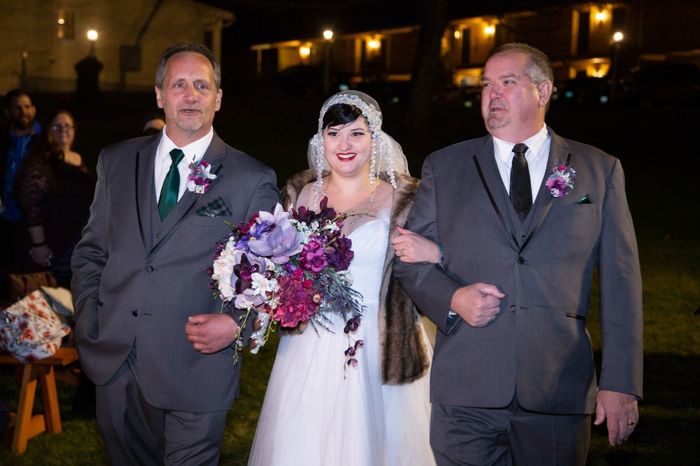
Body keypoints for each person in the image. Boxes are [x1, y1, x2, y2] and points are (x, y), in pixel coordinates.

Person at [394, 42, 643, 466]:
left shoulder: (599, 170)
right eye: (487, 84)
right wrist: (453, 299)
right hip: (467, 390)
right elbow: (409, 259)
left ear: (543, 91)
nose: (492, 94)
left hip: (557, 392)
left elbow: (622, 282)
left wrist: (621, 383)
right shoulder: (447, 166)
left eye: (508, 82)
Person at [71, 43, 279, 465]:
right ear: (159, 94)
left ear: (218, 98)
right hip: (117, 363)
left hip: (197, 367)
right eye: (178, 84)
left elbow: (273, 272)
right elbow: (90, 253)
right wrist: (91, 319)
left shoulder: (251, 178)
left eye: (202, 85)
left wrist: (239, 325)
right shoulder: (116, 161)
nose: (190, 95)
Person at [248, 90, 438, 466]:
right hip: (308, 347)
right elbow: (276, 266)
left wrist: (436, 253)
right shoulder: (299, 193)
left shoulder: (405, 199)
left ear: (375, 138)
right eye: (334, 133)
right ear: (321, 140)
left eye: (357, 133)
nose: (345, 144)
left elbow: (436, 261)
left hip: (381, 344)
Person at [14, 111, 94, 275]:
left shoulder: (78, 158)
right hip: (50, 239)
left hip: (75, 240)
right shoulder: (39, 161)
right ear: (48, 131)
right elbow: (30, 204)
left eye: (67, 126)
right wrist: (39, 244)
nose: (63, 130)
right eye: (57, 126)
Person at [0, 89, 41, 274]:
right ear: (8, 111)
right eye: (17, 108)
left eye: (27, 106)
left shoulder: (44, 140)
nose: (23, 112)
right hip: (6, 219)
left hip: (35, 222)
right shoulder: (2, 139)